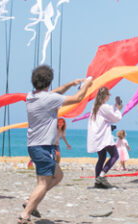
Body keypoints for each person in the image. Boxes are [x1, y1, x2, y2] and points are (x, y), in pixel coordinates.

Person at [20, 66, 90, 223]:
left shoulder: (31, 96)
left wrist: (70, 84)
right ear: (49, 81)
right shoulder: (48, 99)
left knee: (57, 176)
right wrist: (87, 85)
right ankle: (25, 213)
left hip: (34, 146)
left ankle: (30, 201)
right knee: (44, 182)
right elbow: (78, 98)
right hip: (43, 146)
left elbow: (55, 93)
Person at [88, 89, 123, 188]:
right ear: (105, 95)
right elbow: (115, 117)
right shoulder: (103, 107)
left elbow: (103, 119)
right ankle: (102, 176)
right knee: (115, 155)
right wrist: (118, 109)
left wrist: (115, 107)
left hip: (97, 135)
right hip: (103, 136)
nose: (109, 97)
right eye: (109, 95)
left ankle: (97, 182)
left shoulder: (95, 106)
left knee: (102, 157)